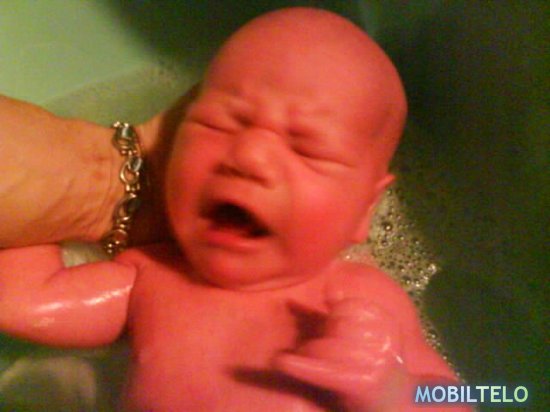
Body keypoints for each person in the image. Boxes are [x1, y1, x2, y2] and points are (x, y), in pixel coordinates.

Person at [0, 8, 469, 411]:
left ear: (366, 207)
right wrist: (45, 179)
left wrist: (393, 390)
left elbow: (486, 395)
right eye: (219, 123)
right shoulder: (149, 279)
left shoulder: (364, 301)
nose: (249, 156)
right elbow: (23, 302)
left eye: (306, 148)